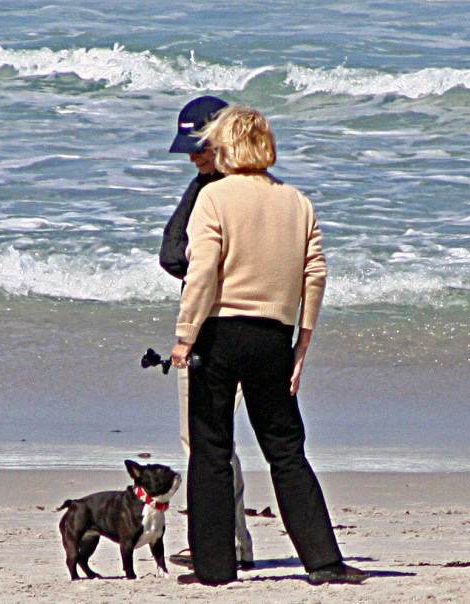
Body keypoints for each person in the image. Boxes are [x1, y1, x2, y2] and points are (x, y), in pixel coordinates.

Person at [170, 104, 368, 586]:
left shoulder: (213, 199)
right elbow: (314, 274)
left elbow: (202, 273)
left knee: (211, 448)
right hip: (274, 337)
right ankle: (323, 562)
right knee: (286, 450)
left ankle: (215, 569)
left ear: (226, 144)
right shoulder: (296, 200)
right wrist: (302, 343)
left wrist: (183, 336)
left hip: (219, 333)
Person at [160, 96, 254, 570]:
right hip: (264, 329)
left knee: (204, 441)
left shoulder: (210, 193)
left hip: (212, 329)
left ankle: (223, 545)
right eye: (190, 150)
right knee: (233, 442)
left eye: (200, 147)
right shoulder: (264, 189)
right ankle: (233, 542)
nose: (194, 158)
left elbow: (175, 257)